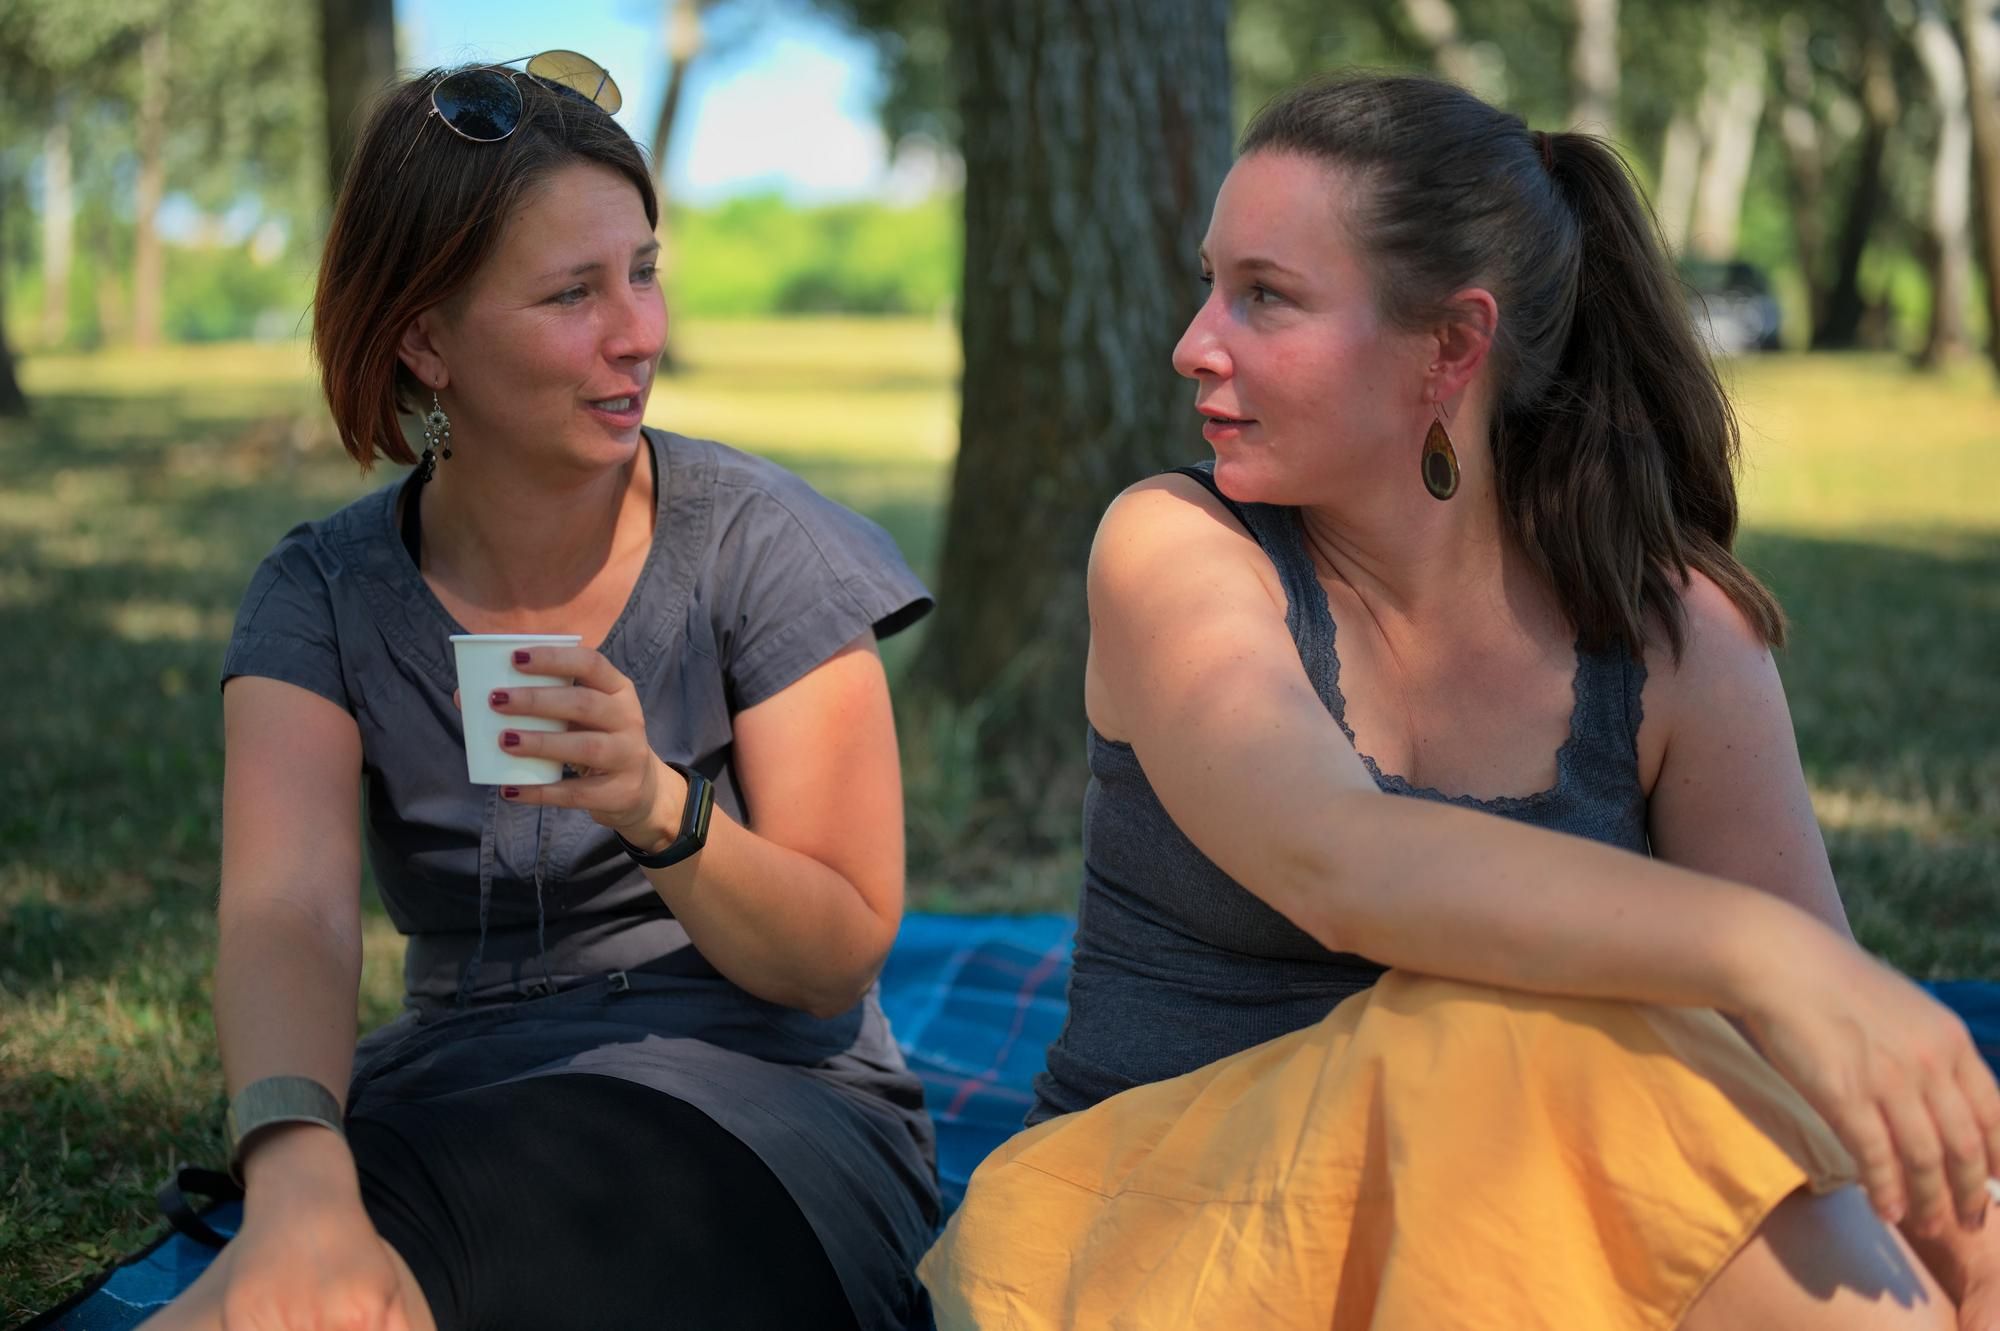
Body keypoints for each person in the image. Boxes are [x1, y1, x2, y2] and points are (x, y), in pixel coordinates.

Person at [919, 73, 2000, 1330]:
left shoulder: (1666, 633)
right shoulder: (1173, 548)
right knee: (1503, 1026)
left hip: (1524, 1251)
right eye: (1210, 282)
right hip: (1148, 1236)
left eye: (1262, 296)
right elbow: (1340, 859)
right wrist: (1764, 955)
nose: (1192, 341)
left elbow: (1839, 1057)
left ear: (1450, 345)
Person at [145, 55, 938, 1331]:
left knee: (455, 1252)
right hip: (448, 1093)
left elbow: (835, 951)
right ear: (425, 339)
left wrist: (656, 806)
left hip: (755, 1106)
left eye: (642, 269)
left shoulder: (757, 542)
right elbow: (288, 913)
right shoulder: (324, 593)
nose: (638, 330)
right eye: (574, 291)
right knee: (303, 1286)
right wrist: (296, 1176)